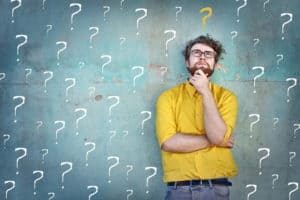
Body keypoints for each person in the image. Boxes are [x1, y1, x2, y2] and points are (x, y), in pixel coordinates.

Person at [155, 35, 238, 200]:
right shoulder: (167, 97)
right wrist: (216, 140)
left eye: (208, 54)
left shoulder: (227, 97)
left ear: (215, 63)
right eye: (196, 53)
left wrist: (205, 91)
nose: (202, 57)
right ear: (187, 62)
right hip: (179, 189)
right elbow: (168, 142)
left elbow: (219, 136)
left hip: (217, 188)